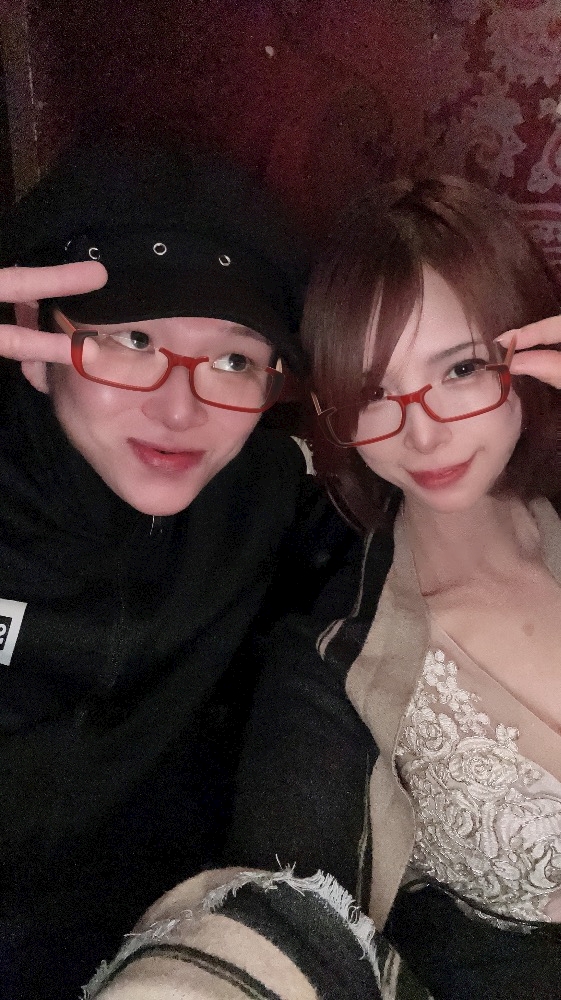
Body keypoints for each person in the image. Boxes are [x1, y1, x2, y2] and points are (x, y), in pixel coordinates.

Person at [82, 177, 561, 1000]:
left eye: (460, 368)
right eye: (373, 392)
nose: (422, 431)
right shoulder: (336, 659)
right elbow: (272, 917)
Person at [0, 139, 354, 1000]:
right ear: (34, 339)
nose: (179, 408)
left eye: (233, 360)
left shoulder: (263, 502)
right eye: (132, 339)